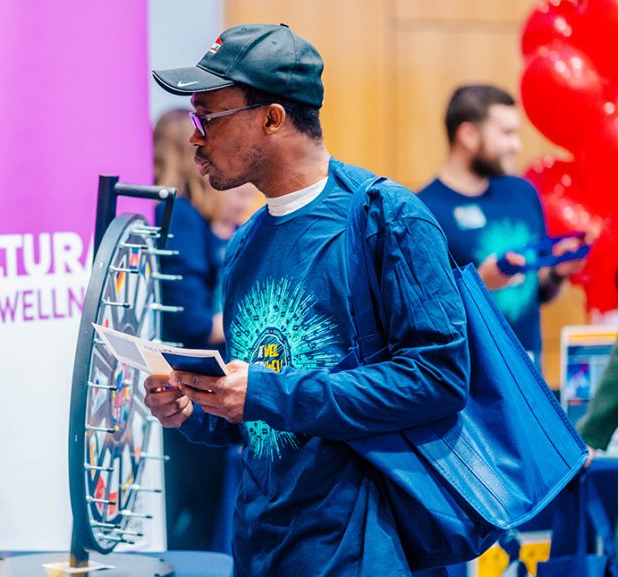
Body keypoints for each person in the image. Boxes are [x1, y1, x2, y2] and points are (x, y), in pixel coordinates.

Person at [143, 24, 469, 576]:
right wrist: (192, 408)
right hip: (262, 546)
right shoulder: (246, 244)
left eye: (208, 118)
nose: (195, 138)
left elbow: (439, 379)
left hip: (362, 548)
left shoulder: (386, 219)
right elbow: (257, 417)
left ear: (272, 118)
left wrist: (269, 391)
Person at [418, 84, 588, 364]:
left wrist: (558, 272)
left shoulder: (523, 193)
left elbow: (539, 291)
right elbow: (425, 313)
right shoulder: (423, 210)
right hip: (472, 381)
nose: (517, 145)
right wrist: (480, 284)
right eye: (506, 133)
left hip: (530, 370)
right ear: (468, 135)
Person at [152, 109, 257, 551]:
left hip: (199, 382)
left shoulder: (195, 219)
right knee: (192, 515)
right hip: (187, 381)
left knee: (201, 511)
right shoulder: (182, 218)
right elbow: (190, 321)